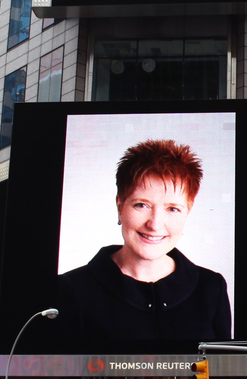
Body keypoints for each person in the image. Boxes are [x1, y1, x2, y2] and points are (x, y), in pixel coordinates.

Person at [56, 139, 231, 343]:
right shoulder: (71, 289)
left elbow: (224, 364)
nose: (154, 224)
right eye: (141, 205)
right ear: (120, 206)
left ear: (187, 213)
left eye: (173, 209)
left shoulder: (211, 287)